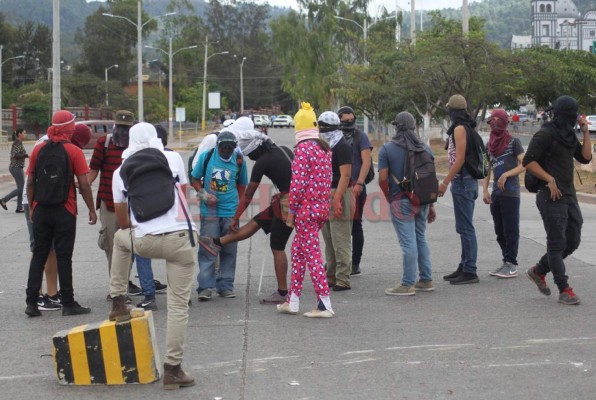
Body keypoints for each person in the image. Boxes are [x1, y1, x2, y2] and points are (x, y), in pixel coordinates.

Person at [108, 122, 197, 389]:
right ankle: (173, 370)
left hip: (144, 241)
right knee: (178, 306)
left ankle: (118, 300)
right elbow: (184, 197)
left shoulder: (120, 171)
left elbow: (122, 220)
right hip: (181, 239)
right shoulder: (173, 158)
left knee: (119, 239)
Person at [198, 129, 294, 304]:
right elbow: (294, 176)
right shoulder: (282, 150)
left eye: (250, 154)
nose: (250, 158)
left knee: (277, 247)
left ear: (256, 148)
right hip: (289, 199)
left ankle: (282, 292)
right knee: (257, 221)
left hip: (290, 205)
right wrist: (283, 193)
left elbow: (248, 193)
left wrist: (235, 218)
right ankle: (218, 242)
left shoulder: (263, 162)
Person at [24, 110, 97, 317]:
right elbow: (84, 184)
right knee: (64, 257)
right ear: (68, 128)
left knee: (39, 254)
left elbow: (30, 181)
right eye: (72, 124)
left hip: (41, 209)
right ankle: (68, 303)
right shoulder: (73, 151)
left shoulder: (38, 149)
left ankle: (31, 303)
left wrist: (32, 207)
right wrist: (91, 209)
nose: (74, 127)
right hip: (65, 210)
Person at [88, 110, 164, 307]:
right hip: (110, 203)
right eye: (119, 127)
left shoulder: (138, 146)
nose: (122, 131)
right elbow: (93, 171)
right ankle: (116, 290)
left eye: (126, 128)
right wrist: (82, 187)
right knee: (114, 247)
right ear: (114, 126)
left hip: (136, 205)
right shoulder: (103, 143)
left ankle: (125, 283)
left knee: (135, 246)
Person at [522, 95, 592, 305]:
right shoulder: (545, 134)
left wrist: (585, 131)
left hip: (569, 195)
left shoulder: (569, 135)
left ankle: (538, 270)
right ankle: (564, 288)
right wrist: (548, 178)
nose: (573, 120)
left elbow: (586, 157)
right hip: (549, 196)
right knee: (557, 243)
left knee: (572, 241)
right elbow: (528, 161)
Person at [277, 102, 334, 318]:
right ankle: (292, 300)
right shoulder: (324, 148)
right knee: (298, 253)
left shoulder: (302, 149)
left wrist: (291, 211)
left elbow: (297, 185)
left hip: (305, 211)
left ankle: (325, 304)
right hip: (320, 208)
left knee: (312, 256)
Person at [378, 112, 436, 296]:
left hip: (400, 200)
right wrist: (431, 205)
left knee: (408, 242)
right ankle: (426, 279)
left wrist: (389, 197)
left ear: (396, 127)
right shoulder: (426, 149)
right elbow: (430, 179)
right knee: (420, 238)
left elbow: (382, 179)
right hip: (423, 200)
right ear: (413, 126)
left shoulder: (387, 149)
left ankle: (407, 283)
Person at [191, 130, 248, 301]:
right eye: (223, 148)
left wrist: (237, 214)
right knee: (208, 249)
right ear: (217, 146)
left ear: (234, 148)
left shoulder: (238, 161)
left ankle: (225, 286)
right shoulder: (207, 157)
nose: (226, 151)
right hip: (210, 212)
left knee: (229, 250)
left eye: (229, 148)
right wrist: (203, 195)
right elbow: (195, 179)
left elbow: (242, 187)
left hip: (230, 211)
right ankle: (205, 287)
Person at [438, 94, 480, 285]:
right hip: (465, 181)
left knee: (466, 228)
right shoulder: (466, 127)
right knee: (463, 227)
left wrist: (446, 182)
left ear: (452, 111)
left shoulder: (461, 129)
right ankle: (464, 265)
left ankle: (470, 270)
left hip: (463, 181)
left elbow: (460, 159)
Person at [482, 109, 525, 279]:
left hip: (511, 193)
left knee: (511, 230)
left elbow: (526, 163)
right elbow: (487, 169)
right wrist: (485, 190)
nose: (494, 123)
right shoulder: (489, 145)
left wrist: (507, 174)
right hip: (496, 194)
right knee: (499, 231)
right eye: (492, 120)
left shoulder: (514, 142)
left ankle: (511, 264)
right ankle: (506, 261)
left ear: (505, 122)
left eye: (498, 120)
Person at [319, 110, 353, 291]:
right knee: (329, 238)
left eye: (325, 127)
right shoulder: (325, 145)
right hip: (325, 193)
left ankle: (343, 277)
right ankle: (331, 274)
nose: (322, 130)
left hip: (339, 192)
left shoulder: (342, 145)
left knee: (340, 237)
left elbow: (346, 175)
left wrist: (337, 199)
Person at [337, 106, 373, 276]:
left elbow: (366, 161)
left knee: (355, 225)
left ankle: (355, 262)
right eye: (344, 121)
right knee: (337, 226)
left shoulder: (361, 136)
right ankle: (338, 261)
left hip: (356, 187)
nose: (348, 123)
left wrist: (359, 183)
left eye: (351, 120)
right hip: (337, 187)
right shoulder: (335, 137)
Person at [1, 128, 28, 212]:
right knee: (21, 188)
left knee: (21, 187)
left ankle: (19, 207)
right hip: (16, 167)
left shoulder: (18, 142)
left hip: (17, 167)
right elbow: (16, 155)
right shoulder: (17, 143)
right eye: (24, 133)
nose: (25, 134)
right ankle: (4, 200)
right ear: (20, 134)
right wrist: (26, 155)